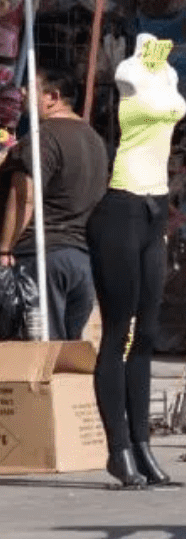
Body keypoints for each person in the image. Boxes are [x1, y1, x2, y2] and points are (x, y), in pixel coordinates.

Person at [89, 34, 186, 488]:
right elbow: (127, 75)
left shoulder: (167, 71)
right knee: (118, 332)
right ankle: (119, 448)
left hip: (155, 206)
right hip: (122, 206)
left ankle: (143, 444)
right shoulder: (129, 71)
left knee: (146, 334)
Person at [0, 66, 108, 341]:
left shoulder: (42, 137)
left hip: (41, 257)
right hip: (81, 261)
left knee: (34, 353)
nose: (22, 92)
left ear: (52, 97)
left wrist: (4, 249)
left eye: (31, 87)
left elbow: (24, 196)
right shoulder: (94, 140)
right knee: (62, 353)